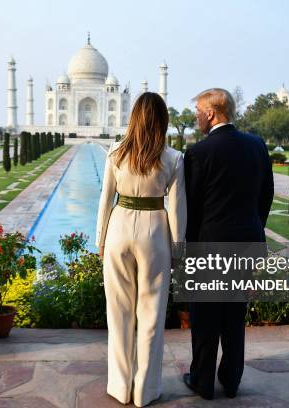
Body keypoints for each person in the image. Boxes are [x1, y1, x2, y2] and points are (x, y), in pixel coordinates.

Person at [96, 92, 187, 407]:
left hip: (119, 231)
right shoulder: (173, 157)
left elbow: (106, 200)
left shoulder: (115, 153)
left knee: (119, 314)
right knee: (150, 316)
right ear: (162, 120)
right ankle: (144, 391)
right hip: (154, 235)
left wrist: (101, 241)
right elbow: (176, 210)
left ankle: (120, 387)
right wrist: (178, 250)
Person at [182, 88, 274, 399]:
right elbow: (265, 198)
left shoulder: (199, 152)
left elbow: (191, 209)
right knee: (234, 317)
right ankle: (231, 381)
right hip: (246, 243)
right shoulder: (256, 146)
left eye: (198, 111)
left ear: (210, 113)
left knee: (205, 319)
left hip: (208, 246)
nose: (196, 117)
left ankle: (203, 382)